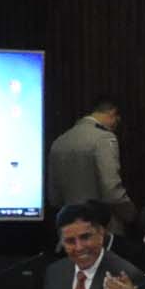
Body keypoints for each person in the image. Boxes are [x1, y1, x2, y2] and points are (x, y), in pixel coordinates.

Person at [45, 94, 134, 227]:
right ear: (112, 112)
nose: (117, 124)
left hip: (69, 228)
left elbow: (54, 197)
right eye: (117, 118)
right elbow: (111, 190)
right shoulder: (104, 138)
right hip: (101, 227)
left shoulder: (59, 141)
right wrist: (131, 214)